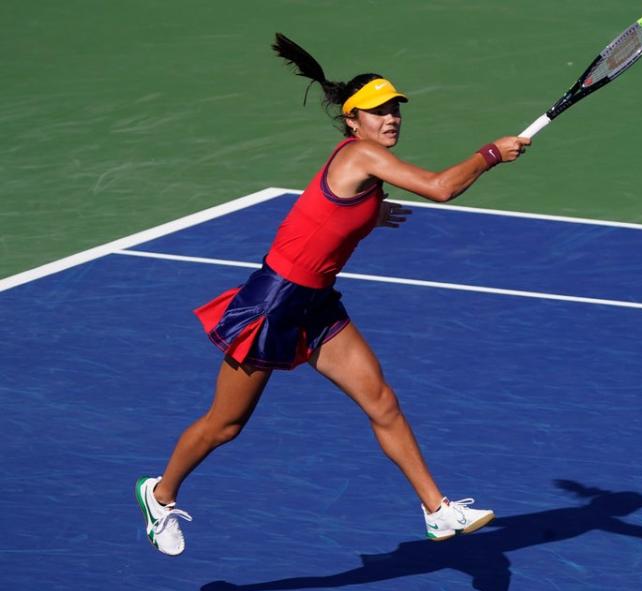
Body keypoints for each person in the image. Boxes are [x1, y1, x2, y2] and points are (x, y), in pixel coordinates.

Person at [135, 33, 531, 556]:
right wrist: (490, 154)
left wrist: (372, 214)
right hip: (274, 303)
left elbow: (330, 209)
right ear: (353, 121)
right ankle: (159, 495)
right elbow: (440, 187)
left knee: (382, 401)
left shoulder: (363, 165)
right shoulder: (362, 155)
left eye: (394, 109)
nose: (390, 118)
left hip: (317, 304)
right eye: (377, 111)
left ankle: (437, 511)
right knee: (224, 425)